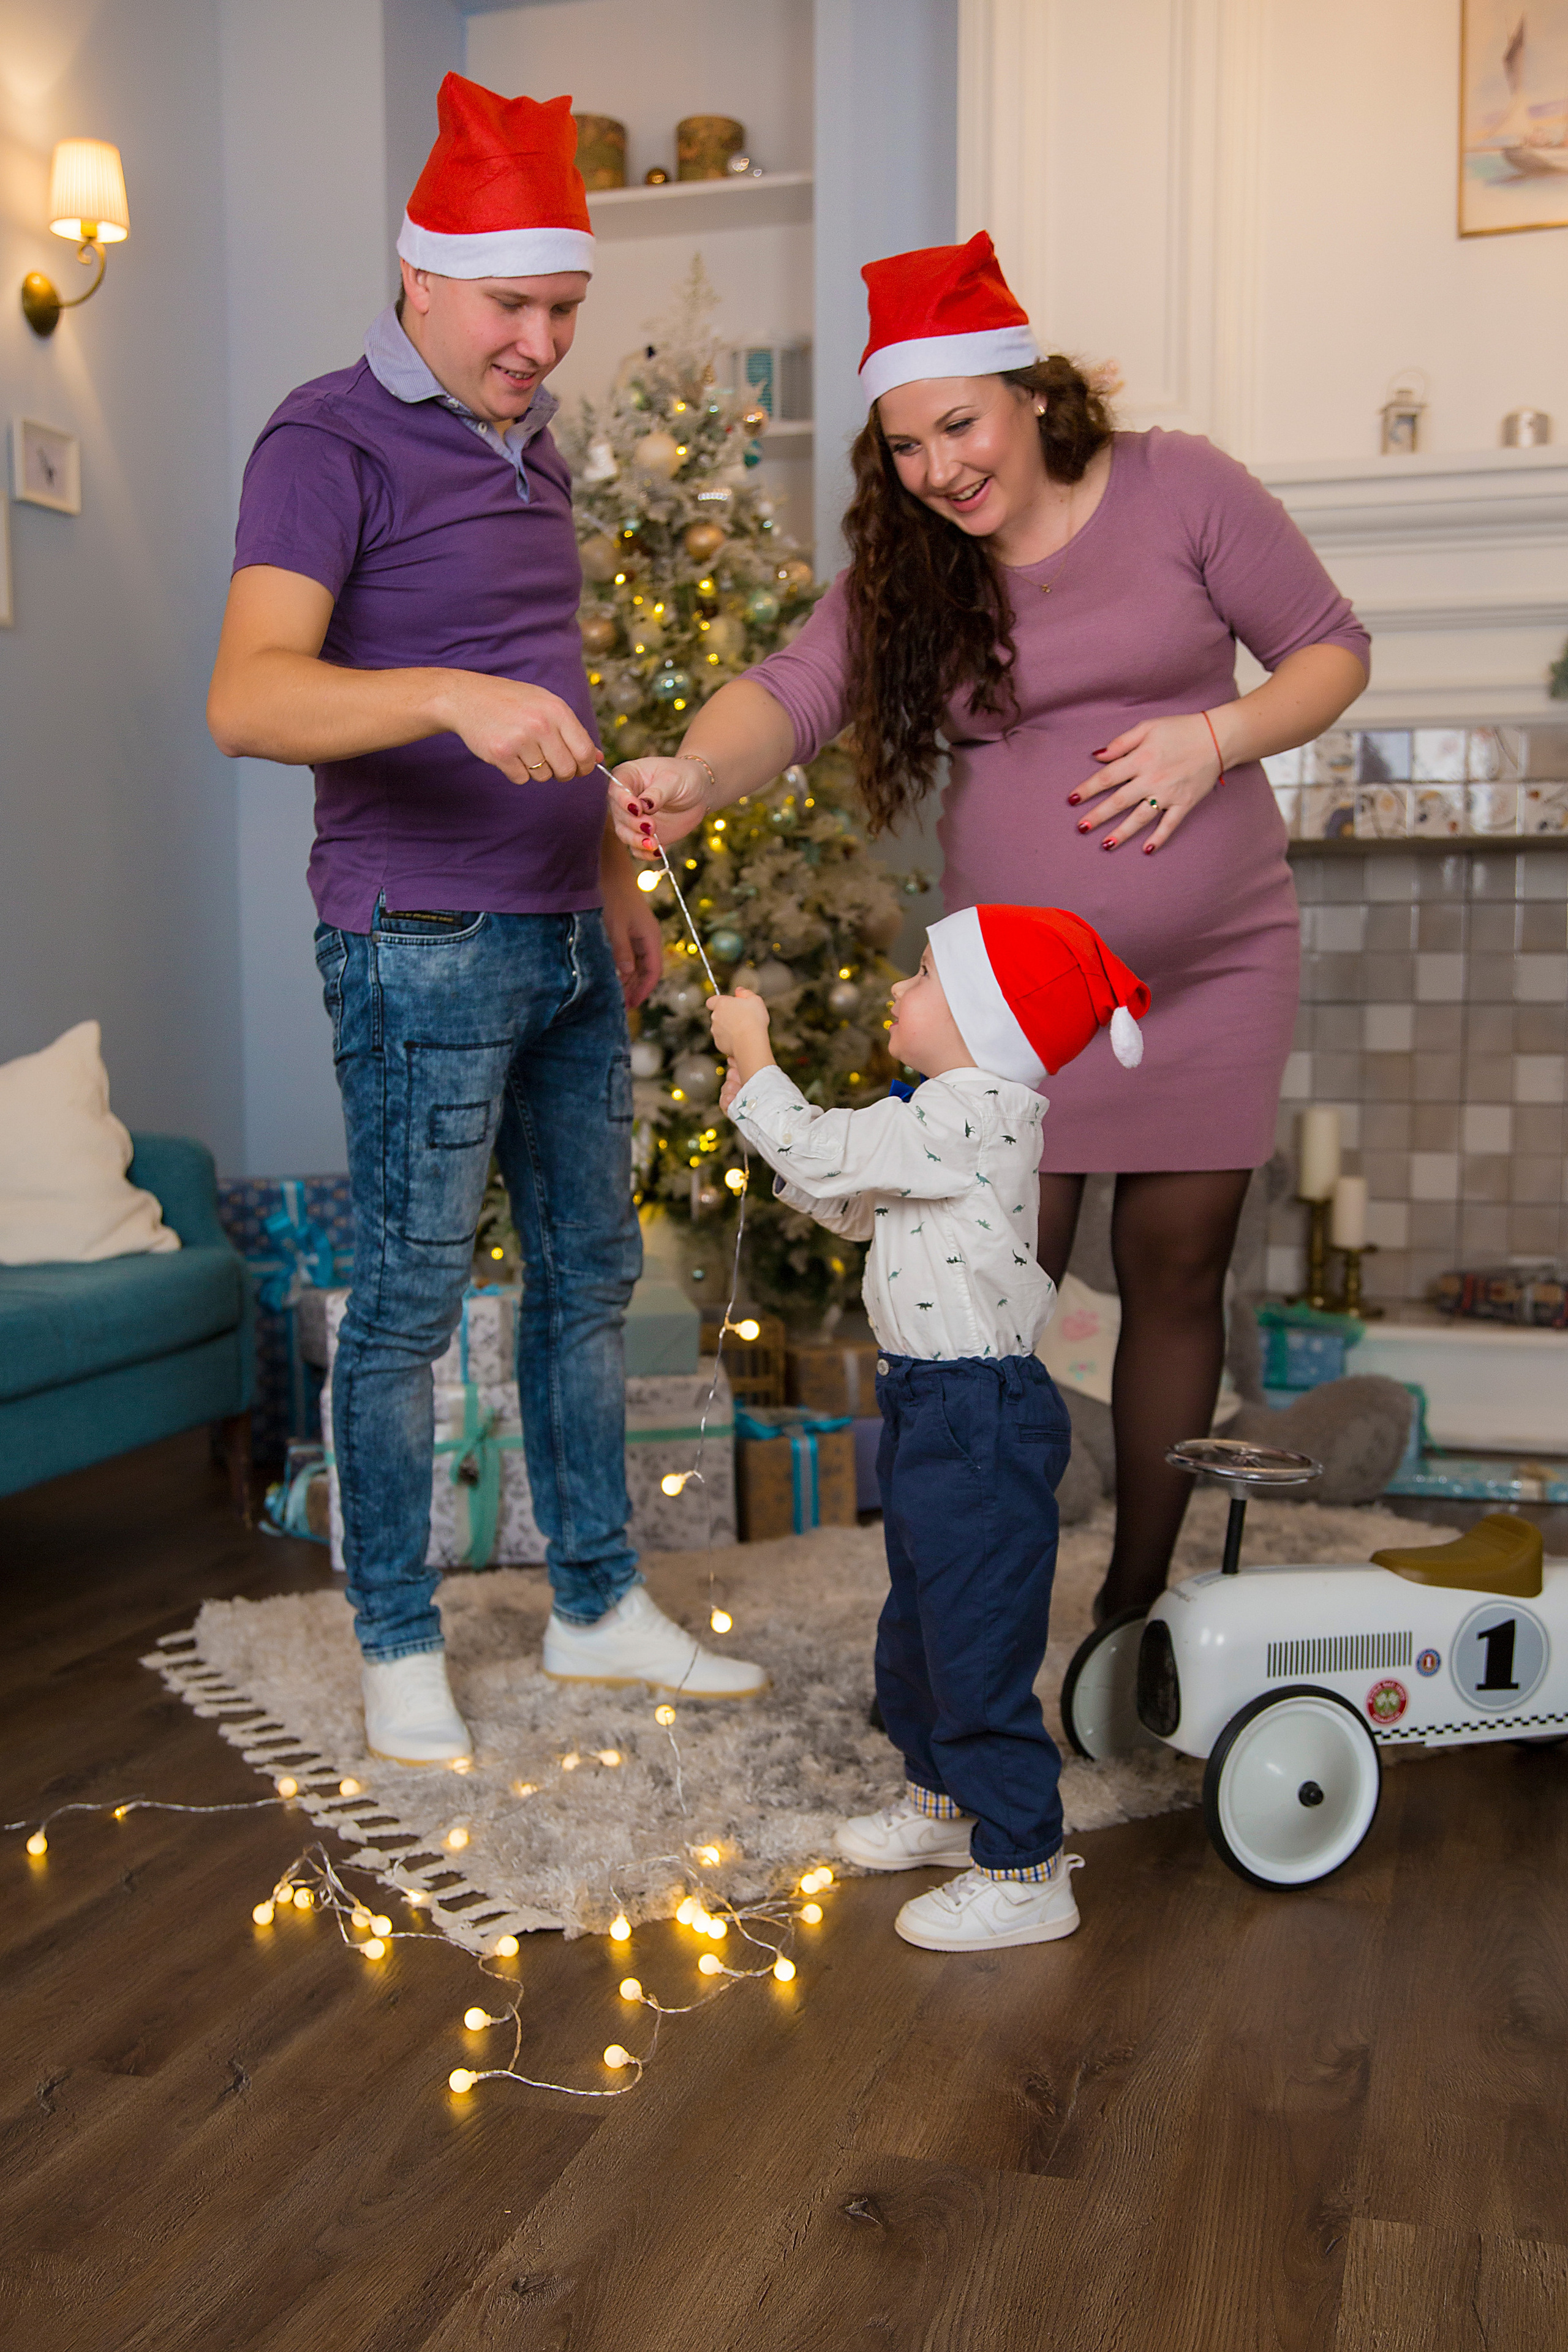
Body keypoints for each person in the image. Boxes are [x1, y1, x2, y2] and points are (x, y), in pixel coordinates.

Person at [612, 230, 1371, 1624]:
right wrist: (693, 776)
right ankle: (979, 1607)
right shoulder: (914, 568)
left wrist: (1213, 740)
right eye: (903, 445)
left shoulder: (1180, 487)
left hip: (1210, 967)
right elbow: (788, 692)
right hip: (1011, 1014)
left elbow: (1329, 649)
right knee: (980, 1291)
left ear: (1031, 393)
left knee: (1175, 1274)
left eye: (958, 425)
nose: (939, 469)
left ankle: (1128, 1607)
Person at [208, 74, 763, 1766]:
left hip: (563, 937)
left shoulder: (537, 469)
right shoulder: (323, 440)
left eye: (564, 312)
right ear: (423, 279)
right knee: (407, 1298)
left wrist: (613, 887)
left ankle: (595, 1606)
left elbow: (561, 699)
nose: (542, 342)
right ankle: (394, 1641)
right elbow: (249, 697)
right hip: (416, 939)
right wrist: (444, 697)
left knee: (590, 1281)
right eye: (515, 307)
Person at [711, 904, 1149, 1951]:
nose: (896, 990)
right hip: (924, 1401)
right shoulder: (937, 1117)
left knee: (977, 1633)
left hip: (976, 1415)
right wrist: (759, 1113)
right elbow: (854, 1201)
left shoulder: (975, 1112)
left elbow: (826, 1149)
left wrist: (758, 1057)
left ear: (986, 1019)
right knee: (918, 1619)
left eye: (921, 974)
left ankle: (1025, 1864)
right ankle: (944, 1801)